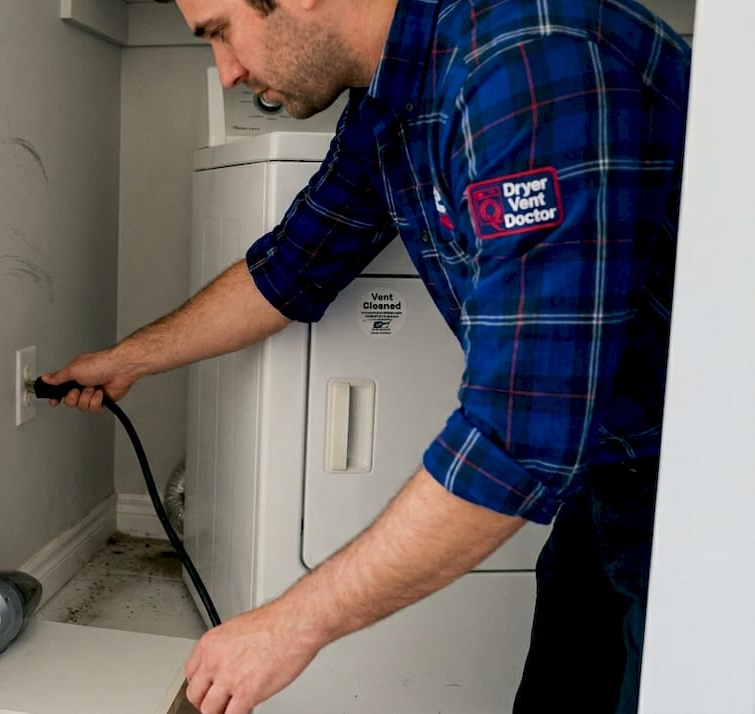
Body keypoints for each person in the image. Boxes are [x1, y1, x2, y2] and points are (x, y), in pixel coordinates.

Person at [43, 0, 690, 711]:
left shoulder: (525, 60)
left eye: (222, 31)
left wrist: (288, 626)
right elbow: (291, 268)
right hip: (613, 464)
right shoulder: (394, 96)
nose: (225, 71)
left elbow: (517, 437)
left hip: (704, 482)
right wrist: (131, 358)